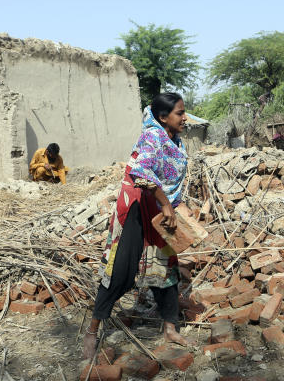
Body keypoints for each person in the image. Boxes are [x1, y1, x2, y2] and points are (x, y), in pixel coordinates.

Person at [82, 92, 197, 359]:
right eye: (180, 113)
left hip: (159, 209)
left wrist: (175, 206)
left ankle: (170, 327)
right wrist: (165, 203)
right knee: (121, 269)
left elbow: (170, 182)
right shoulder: (152, 137)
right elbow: (140, 173)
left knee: (166, 264)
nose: (185, 117)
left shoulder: (176, 142)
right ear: (163, 117)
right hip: (135, 207)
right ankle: (92, 331)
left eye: (183, 112)